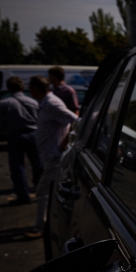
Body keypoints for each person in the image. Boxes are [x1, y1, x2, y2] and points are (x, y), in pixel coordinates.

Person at [25, 76, 78, 238]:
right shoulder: (47, 103)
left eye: (30, 88)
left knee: (42, 192)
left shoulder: (52, 103)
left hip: (55, 156)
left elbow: (76, 120)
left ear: (35, 88)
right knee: (48, 191)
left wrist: (66, 140)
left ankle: (40, 228)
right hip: (49, 155)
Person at [0, 76, 43, 205]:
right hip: (34, 134)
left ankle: (23, 195)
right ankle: (42, 191)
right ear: (22, 87)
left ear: (9, 88)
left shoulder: (4, 103)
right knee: (37, 164)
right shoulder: (33, 102)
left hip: (15, 135)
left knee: (17, 167)